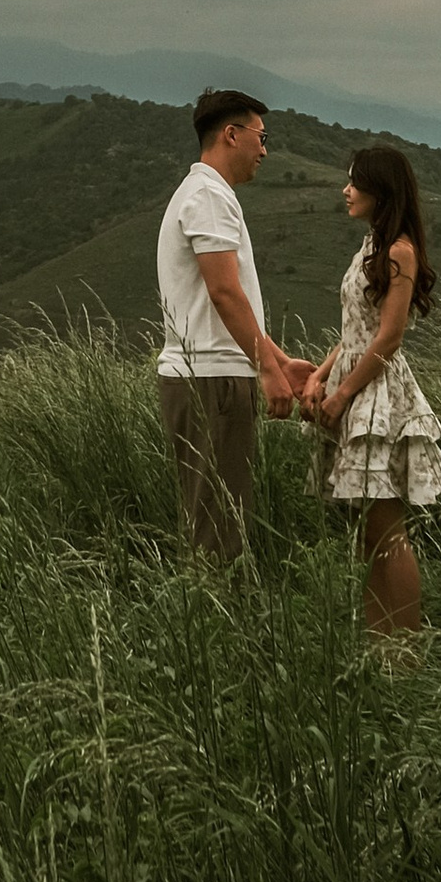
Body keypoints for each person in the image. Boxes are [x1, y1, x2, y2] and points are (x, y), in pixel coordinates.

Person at [155, 90, 312, 559]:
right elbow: (224, 291)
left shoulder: (203, 193)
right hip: (214, 380)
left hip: (209, 374)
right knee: (219, 529)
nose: (264, 150)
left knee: (216, 515)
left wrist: (280, 363)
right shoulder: (208, 197)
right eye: (261, 138)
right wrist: (267, 370)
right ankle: (218, 625)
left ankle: (213, 620)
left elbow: (224, 301)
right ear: (231, 135)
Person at [314, 140, 441, 638]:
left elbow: (389, 337)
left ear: (380, 191)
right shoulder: (372, 247)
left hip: (376, 397)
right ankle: (382, 643)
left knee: (387, 533)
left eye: (355, 181)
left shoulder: (399, 251)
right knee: (368, 534)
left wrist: (340, 393)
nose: (346, 189)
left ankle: (404, 647)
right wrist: (319, 374)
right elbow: (356, 329)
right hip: (355, 386)